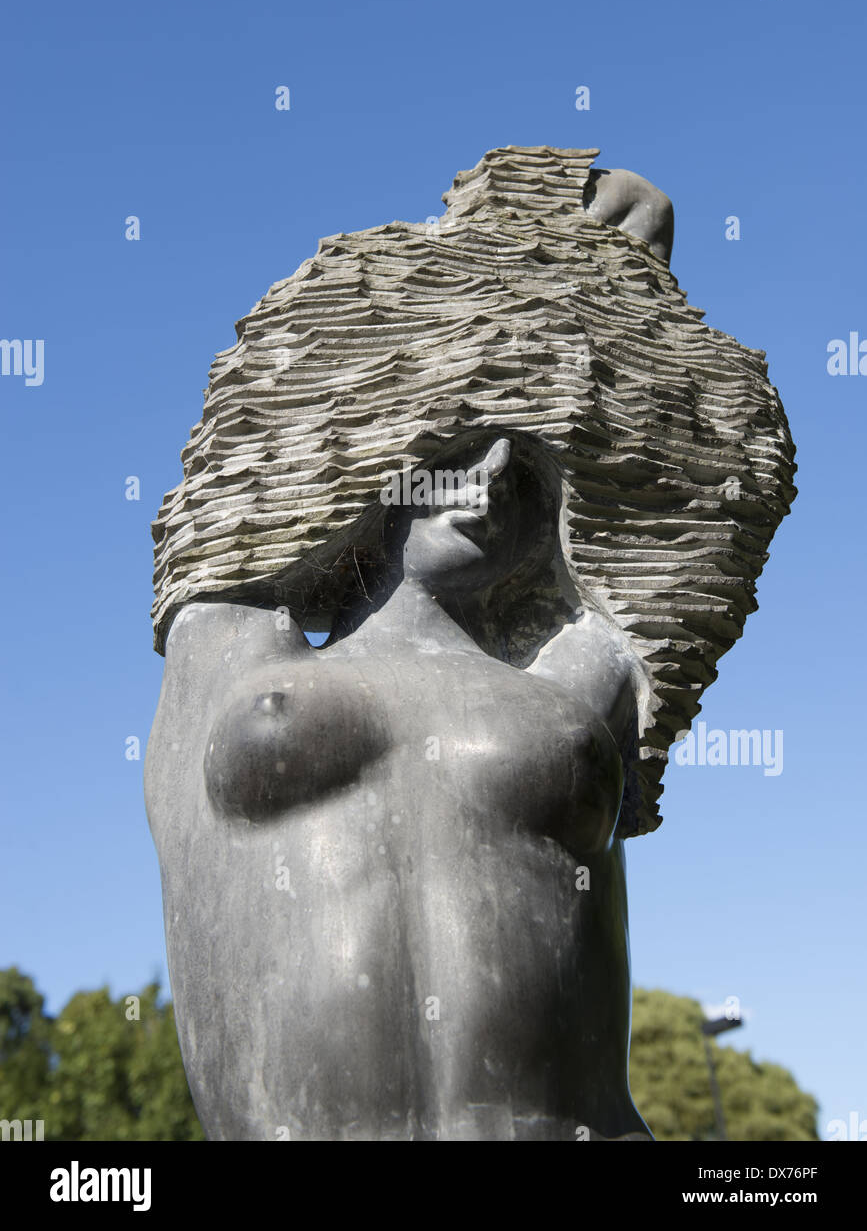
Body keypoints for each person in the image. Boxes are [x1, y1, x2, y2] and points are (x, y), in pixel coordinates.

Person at [147, 431, 652, 1140]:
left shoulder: (584, 668)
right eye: (455, 462)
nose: (484, 490)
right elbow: (233, 491)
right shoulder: (229, 640)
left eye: (513, 483)